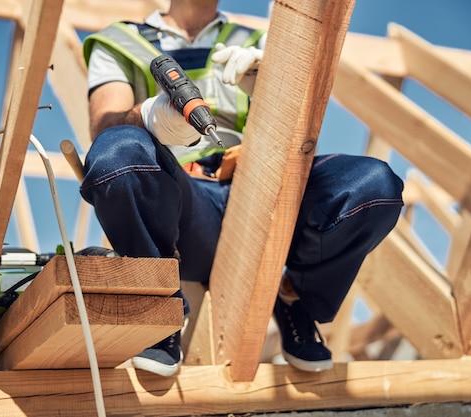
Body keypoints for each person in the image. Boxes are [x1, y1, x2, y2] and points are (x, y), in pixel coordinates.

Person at [80, 0, 404, 377]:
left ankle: (293, 295)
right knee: (117, 151)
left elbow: (301, 140)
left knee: (373, 186)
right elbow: (104, 130)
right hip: (183, 207)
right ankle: (159, 304)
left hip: (261, 194)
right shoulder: (119, 42)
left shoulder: (262, 40)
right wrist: (150, 118)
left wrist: (275, 95)